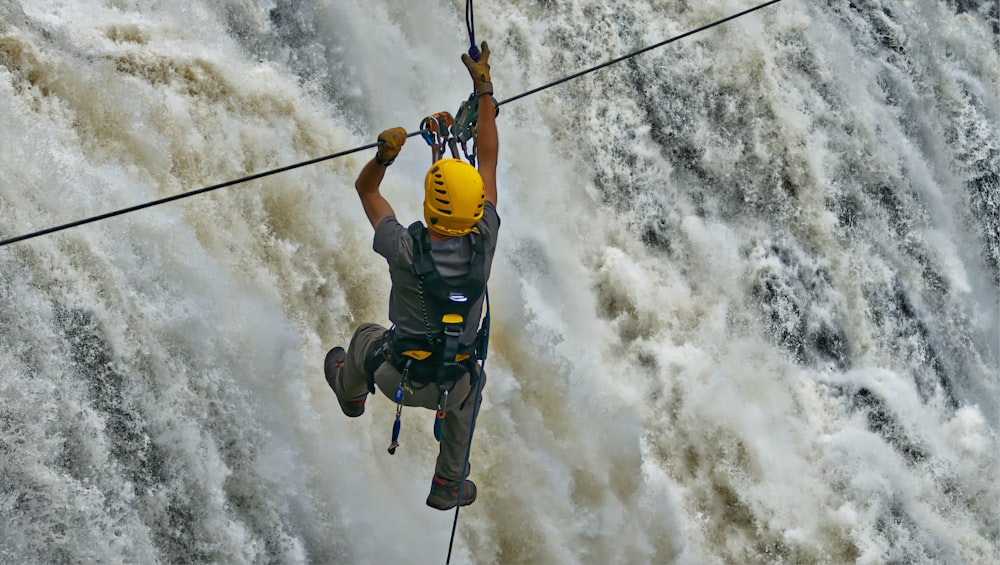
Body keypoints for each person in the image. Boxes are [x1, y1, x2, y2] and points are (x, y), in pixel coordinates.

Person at [324, 41, 499, 511]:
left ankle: (351, 395)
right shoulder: (485, 239)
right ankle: (447, 484)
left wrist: (383, 157)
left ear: (428, 205)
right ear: (476, 208)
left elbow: (366, 191)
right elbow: (488, 161)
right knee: (473, 386)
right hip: (452, 384)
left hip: (394, 373)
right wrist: (484, 89)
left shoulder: (403, 247)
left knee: (363, 337)